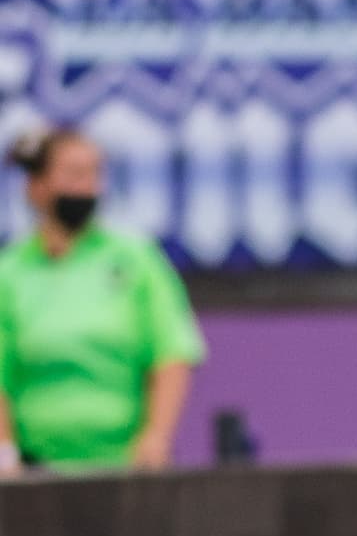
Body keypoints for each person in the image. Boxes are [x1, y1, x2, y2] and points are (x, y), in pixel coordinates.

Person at [0, 128, 205, 477]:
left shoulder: (137, 259)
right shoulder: (10, 272)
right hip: (35, 473)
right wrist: (5, 452)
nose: (88, 187)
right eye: (74, 174)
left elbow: (172, 352)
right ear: (36, 186)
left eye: (94, 174)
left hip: (125, 470)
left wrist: (156, 437)